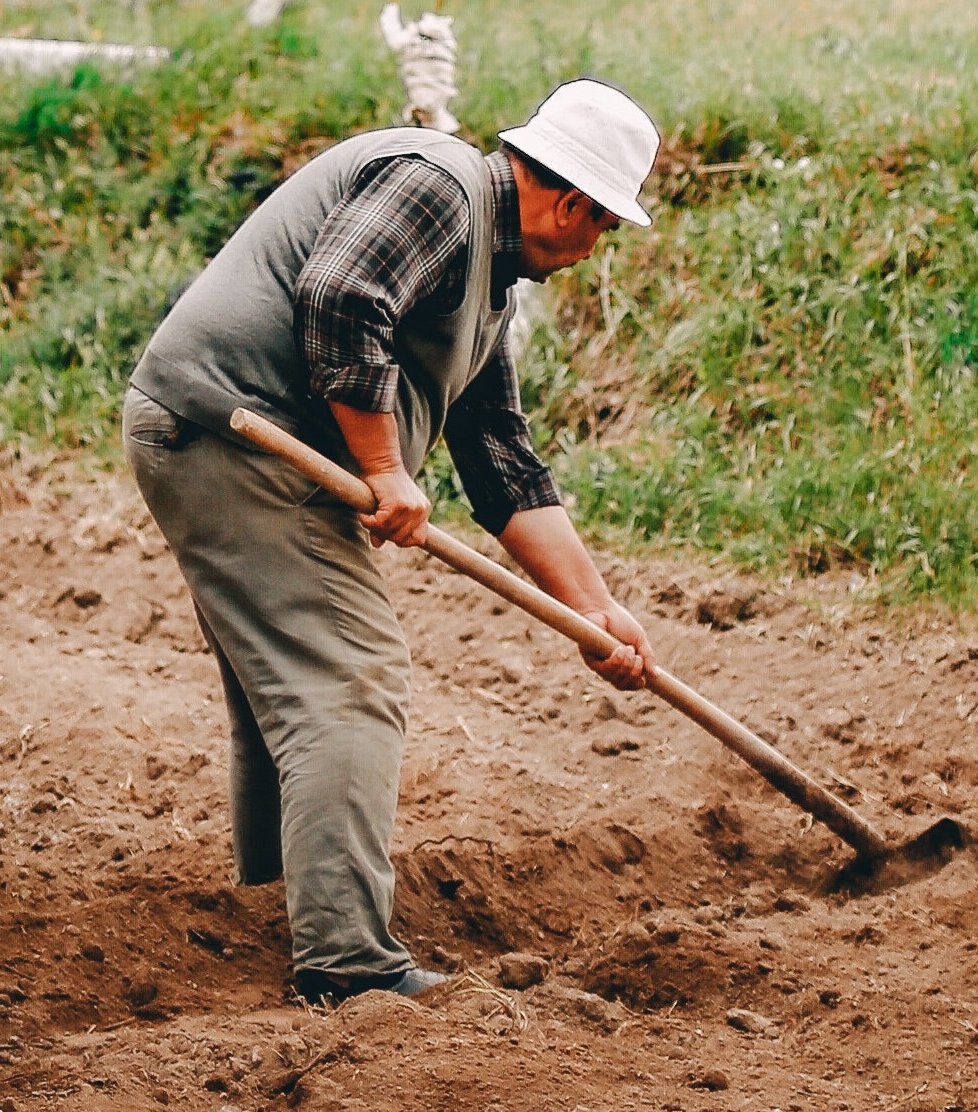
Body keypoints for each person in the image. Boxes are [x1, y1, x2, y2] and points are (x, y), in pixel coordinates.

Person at [123, 79, 661, 1004]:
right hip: (237, 435)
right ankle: (345, 962)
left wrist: (593, 611)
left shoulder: (489, 282)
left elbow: (499, 459)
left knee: (283, 693)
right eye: (606, 226)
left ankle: (280, 905)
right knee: (348, 682)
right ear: (574, 202)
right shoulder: (438, 185)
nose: (595, 247)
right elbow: (337, 295)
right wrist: (384, 466)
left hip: (227, 437)